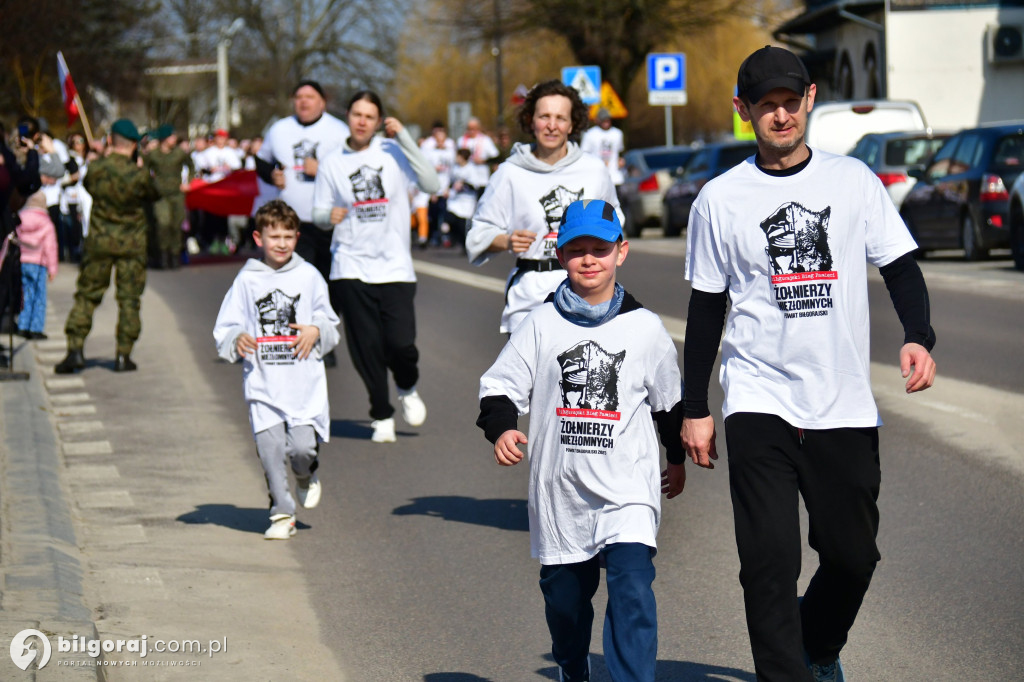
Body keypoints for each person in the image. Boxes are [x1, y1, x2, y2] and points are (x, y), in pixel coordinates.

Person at [681, 46, 937, 682]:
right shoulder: (719, 198)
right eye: (764, 105)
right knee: (768, 561)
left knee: (853, 558)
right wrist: (694, 409)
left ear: (810, 99)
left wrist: (919, 335)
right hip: (758, 400)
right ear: (744, 111)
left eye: (788, 103)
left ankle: (817, 645)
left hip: (842, 402)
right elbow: (706, 310)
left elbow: (900, 265)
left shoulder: (852, 182)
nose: (779, 115)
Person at [477, 199, 686, 682]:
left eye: (600, 249)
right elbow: (500, 386)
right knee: (566, 604)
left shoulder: (645, 328)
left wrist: (674, 456)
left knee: (633, 590)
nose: (589, 259)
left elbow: (668, 402)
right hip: (560, 494)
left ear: (622, 252)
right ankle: (573, 666)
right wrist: (503, 426)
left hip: (627, 491)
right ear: (559, 252)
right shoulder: (541, 323)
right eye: (577, 250)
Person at [311, 90, 439, 444]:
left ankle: (407, 385)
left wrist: (407, 140)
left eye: (370, 115)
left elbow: (432, 183)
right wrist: (328, 216)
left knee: (402, 345)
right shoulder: (332, 161)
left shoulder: (392, 151)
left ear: (379, 119)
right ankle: (380, 413)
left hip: (395, 265)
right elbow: (318, 213)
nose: (362, 121)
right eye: (356, 114)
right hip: (350, 264)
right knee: (365, 346)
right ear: (348, 117)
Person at [213, 199, 340, 540]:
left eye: (288, 236)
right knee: (270, 451)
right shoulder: (247, 280)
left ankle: (305, 474)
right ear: (258, 238)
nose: (281, 243)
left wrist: (316, 330)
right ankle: (282, 513)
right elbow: (226, 326)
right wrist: (236, 339)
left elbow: (329, 322)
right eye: (274, 236)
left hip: (302, 384)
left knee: (301, 450)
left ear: (297, 237)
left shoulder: (309, 276)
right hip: (264, 384)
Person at [466, 79, 621, 335]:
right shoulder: (509, 173)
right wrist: (506, 240)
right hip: (529, 297)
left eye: (560, 118)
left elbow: (616, 227)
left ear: (572, 124)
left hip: (586, 295)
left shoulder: (593, 170)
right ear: (531, 120)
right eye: (544, 116)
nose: (551, 125)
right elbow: (476, 235)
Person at [54, 118, 162, 374]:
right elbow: (153, 194)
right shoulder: (139, 174)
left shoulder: (96, 169)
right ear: (134, 144)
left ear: (111, 140)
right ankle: (123, 355)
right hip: (131, 244)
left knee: (87, 295)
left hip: (100, 241)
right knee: (129, 299)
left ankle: (75, 350)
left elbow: (90, 187)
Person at [256, 80, 350, 282]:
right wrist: (272, 175)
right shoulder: (279, 129)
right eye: (299, 97)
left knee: (329, 285)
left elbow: (354, 169)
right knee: (296, 283)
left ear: (322, 102)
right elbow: (261, 161)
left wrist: (323, 170)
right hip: (292, 222)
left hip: (329, 222)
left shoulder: (339, 131)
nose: (303, 102)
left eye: (310, 97)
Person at [145, 125, 194, 269]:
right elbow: (144, 170)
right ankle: (163, 256)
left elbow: (191, 166)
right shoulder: (153, 154)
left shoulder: (179, 153)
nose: (174, 139)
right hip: (160, 196)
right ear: (164, 138)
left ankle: (175, 256)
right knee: (163, 224)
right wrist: (150, 184)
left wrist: (188, 182)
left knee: (176, 225)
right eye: (171, 136)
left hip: (177, 194)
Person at [15, 190, 58, 339]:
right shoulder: (46, 222)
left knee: (25, 294)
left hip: (23, 261)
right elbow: (50, 247)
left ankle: (22, 325)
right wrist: (53, 269)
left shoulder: (20, 218)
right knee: (39, 296)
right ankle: (35, 328)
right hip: (38, 263)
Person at [580, 108, 625, 196]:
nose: (606, 122)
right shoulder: (590, 134)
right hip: (596, 178)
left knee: (616, 205)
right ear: (598, 120)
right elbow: (584, 155)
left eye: (607, 119)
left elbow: (619, 152)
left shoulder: (617, 133)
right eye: (603, 119)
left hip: (614, 177)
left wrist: (620, 161)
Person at [444, 148, 478, 253]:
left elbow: (475, 185)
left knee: (462, 224)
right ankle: (454, 239)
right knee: (450, 218)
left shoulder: (471, 169)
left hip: (467, 200)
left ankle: (464, 244)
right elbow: (451, 181)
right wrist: (448, 189)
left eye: (458, 156)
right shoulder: (455, 168)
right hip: (455, 199)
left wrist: (463, 184)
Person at [455, 116, 498, 194]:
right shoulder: (461, 140)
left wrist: (483, 161)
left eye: (473, 128)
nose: (471, 131)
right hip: (466, 179)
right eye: (469, 128)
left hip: (481, 179)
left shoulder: (485, 140)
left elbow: (495, 157)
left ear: (478, 128)